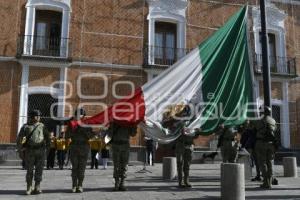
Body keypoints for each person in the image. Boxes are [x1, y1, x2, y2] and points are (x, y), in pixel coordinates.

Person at [16, 109, 50, 195]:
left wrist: (48, 150)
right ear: (32, 116)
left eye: (39, 116)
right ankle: (29, 187)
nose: (38, 117)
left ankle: (37, 187)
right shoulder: (25, 126)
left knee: (39, 170)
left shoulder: (42, 126)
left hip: (41, 151)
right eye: (37, 116)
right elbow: (19, 139)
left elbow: (48, 138)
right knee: (29, 170)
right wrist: (20, 151)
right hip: (30, 151)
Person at [65, 108, 95, 193]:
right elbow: (66, 136)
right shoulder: (71, 124)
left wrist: (83, 129)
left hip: (84, 147)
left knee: (82, 168)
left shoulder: (87, 124)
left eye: (81, 114)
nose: (79, 116)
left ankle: (80, 185)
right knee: (74, 168)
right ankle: (74, 185)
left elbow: (90, 136)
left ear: (84, 115)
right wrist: (73, 129)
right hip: (74, 146)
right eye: (77, 114)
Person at [107, 121, 137, 191]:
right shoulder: (114, 122)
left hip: (125, 145)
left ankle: (122, 183)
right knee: (116, 165)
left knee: (124, 165)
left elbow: (133, 134)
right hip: (116, 145)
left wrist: (134, 125)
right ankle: (116, 183)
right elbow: (109, 134)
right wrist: (113, 126)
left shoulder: (129, 122)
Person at [254, 106, 277, 189]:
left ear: (263, 112)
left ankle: (266, 182)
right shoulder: (273, 120)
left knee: (262, 162)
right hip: (271, 144)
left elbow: (254, 129)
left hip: (261, 143)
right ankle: (270, 182)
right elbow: (275, 130)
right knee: (270, 162)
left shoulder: (259, 121)